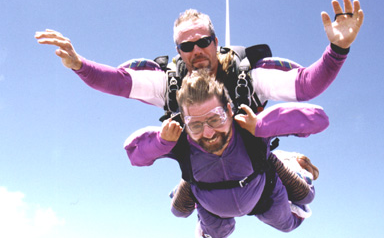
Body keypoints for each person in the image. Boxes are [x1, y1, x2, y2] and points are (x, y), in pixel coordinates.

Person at [34, 0, 364, 211]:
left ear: (216, 41)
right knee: (179, 209)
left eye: (204, 41)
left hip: (251, 156)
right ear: (178, 51)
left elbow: (306, 85)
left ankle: (281, 163)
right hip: (199, 161)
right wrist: (79, 64)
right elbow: (119, 82)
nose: (196, 51)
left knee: (294, 208)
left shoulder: (248, 76)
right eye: (186, 46)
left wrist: (337, 50)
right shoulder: (170, 81)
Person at [124, 69, 330, 237]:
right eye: (195, 125)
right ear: (186, 124)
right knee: (180, 212)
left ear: (229, 111)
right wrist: (161, 142)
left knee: (298, 206)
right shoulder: (180, 138)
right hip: (209, 198)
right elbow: (134, 154)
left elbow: (320, 120)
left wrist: (262, 126)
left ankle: (289, 162)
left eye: (216, 119)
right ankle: (193, 193)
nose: (208, 133)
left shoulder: (247, 127)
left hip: (262, 189)